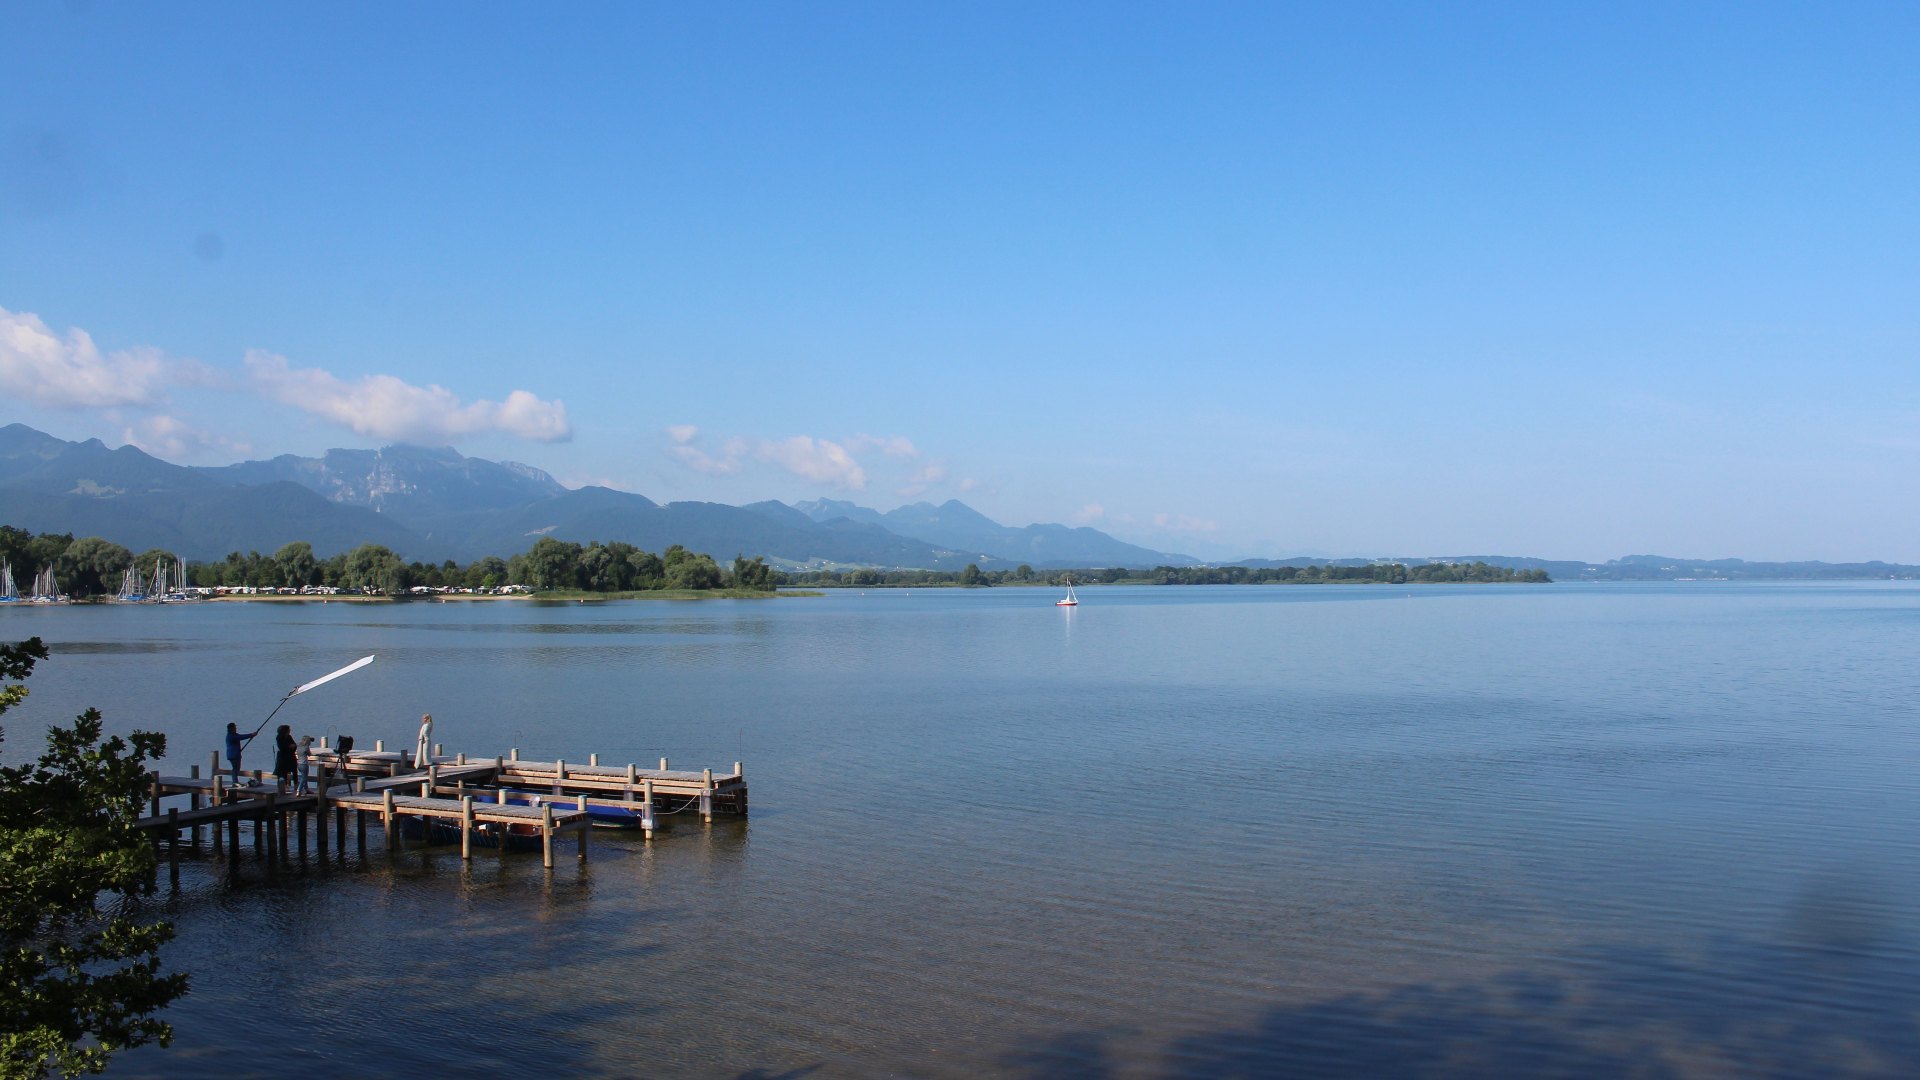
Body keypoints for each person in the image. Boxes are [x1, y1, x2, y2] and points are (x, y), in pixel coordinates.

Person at [273, 724, 297, 794]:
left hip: (291, 755)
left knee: (294, 770)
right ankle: (285, 786)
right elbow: (282, 747)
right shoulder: (279, 737)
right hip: (283, 757)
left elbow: (294, 745)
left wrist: (292, 747)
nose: (290, 730)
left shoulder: (289, 737)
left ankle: (296, 784)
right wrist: (290, 747)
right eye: (289, 729)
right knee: (283, 771)